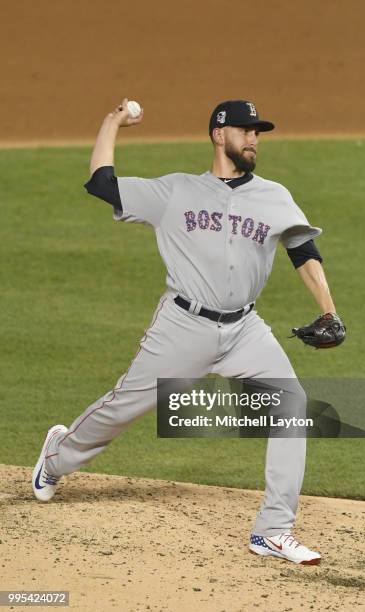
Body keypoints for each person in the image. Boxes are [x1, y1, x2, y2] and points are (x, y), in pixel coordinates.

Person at [32, 98, 344, 566]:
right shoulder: (175, 191)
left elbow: (303, 248)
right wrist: (112, 121)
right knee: (122, 408)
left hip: (245, 330)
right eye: (246, 130)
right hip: (182, 326)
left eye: (258, 132)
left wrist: (329, 311)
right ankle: (57, 457)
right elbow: (102, 184)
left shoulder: (275, 196)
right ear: (220, 135)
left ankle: (273, 530)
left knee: (291, 405)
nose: (254, 139)